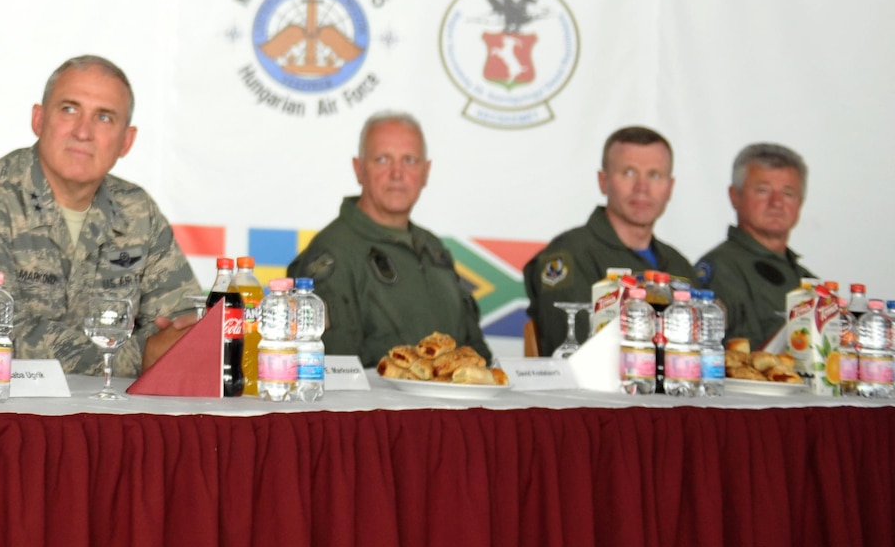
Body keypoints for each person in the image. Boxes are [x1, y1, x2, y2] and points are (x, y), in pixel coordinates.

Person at [0, 55, 202, 377]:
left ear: (126, 141)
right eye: (69, 110)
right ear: (39, 120)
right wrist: (143, 355)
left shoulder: (137, 211)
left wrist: (172, 345)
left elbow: (185, 327)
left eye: (104, 118)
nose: (83, 132)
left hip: (106, 417)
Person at [290, 111, 492, 365]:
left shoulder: (434, 250)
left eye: (409, 160)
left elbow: (477, 355)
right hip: (375, 405)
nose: (397, 173)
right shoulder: (333, 254)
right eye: (383, 159)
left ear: (426, 172)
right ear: (359, 169)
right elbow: (334, 374)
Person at [523, 125, 696, 356]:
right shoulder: (570, 255)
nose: (642, 188)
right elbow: (579, 355)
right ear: (603, 181)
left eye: (654, 175)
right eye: (629, 172)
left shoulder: (678, 265)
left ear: (670, 187)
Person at [696, 143, 814, 347]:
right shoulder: (721, 270)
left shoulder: (809, 282)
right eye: (763, 190)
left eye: (788, 193)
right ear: (735, 196)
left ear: (800, 202)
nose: (776, 203)